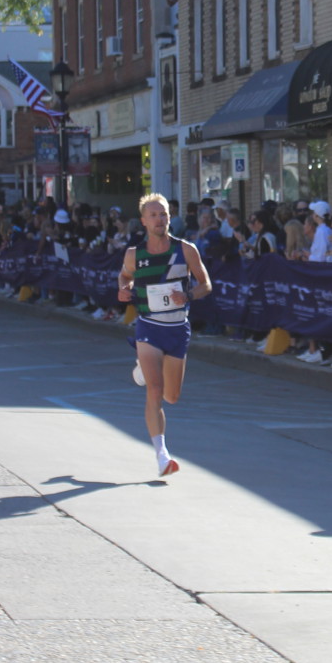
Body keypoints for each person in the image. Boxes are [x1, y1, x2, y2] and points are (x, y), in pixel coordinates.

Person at [118, 192, 212, 477]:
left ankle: (144, 368)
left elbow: (206, 284)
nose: (160, 219)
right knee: (155, 391)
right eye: (154, 215)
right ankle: (162, 455)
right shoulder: (134, 254)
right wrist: (123, 289)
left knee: (171, 396)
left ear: (170, 219)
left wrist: (189, 295)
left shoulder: (186, 250)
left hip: (177, 328)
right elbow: (125, 277)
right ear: (144, 221)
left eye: (164, 214)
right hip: (149, 325)